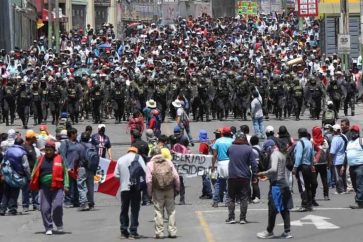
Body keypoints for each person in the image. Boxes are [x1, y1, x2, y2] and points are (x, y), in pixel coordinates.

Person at [29, 140, 69, 235]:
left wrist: (66, 185)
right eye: (46, 150)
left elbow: (65, 172)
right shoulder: (40, 159)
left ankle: (59, 224)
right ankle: (48, 227)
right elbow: (34, 171)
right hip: (44, 188)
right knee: (45, 208)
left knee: (57, 206)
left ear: (54, 150)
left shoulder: (60, 158)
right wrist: (32, 182)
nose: (48, 152)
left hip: (57, 187)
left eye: (50, 150)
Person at [257, 140, 293, 239]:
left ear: (270, 147)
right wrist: (268, 177)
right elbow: (279, 172)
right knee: (284, 208)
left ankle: (269, 231)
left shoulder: (274, 154)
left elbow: (273, 169)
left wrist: (263, 173)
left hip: (277, 185)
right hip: (283, 184)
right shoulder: (282, 155)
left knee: (272, 208)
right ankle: (287, 231)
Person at [146, 146, 180, 239]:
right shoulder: (168, 162)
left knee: (158, 211)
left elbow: (149, 181)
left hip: (157, 191)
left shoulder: (150, 164)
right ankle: (172, 232)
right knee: (171, 211)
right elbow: (176, 176)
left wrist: (149, 193)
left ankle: (159, 233)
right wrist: (177, 188)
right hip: (169, 189)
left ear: (152, 154)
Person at [114, 146, 146, 239]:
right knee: (134, 210)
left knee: (124, 209)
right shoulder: (138, 158)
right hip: (135, 187)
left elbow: (116, 175)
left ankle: (124, 231)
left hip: (124, 188)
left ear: (128, 151)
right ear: (136, 151)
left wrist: (123, 179)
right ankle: (133, 231)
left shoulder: (120, 159)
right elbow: (144, 171)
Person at [225, 131, 257, 224]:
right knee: (244, 198)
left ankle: (231, 218)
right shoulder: (248, 149)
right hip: (244, 177)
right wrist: (255, 175)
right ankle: (242, 218)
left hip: (232, 176)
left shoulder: (231, 148)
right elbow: (254, 164)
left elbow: (228, 155)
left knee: (231, 197)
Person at [0, 138, 31, 215]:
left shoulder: (8, 150)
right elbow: (26, 166)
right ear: (21, 144)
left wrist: (3, 173)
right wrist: (29, 176)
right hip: (17, 175)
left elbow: (3, 162)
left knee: (6, 192)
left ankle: (2, 209)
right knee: (14, 191)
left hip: (7, 174)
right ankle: (12, 208)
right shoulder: (22, 152)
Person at [292, 128, 316, 212]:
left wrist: (295, 167)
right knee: (307, 186)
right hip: (308, 166)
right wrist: (312, 165)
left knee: (302, 186)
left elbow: (298, 156)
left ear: (299, 134)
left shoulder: (300, 143)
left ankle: (304, 204)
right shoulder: (310, 143)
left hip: (302, 167)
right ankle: (309, 204)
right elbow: (312, 155)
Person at [211, 127, 233, 207]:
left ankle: (215, 201)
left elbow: (214, 155)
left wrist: (213, 165)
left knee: (219, 183)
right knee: (229, 183)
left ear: (222, 133)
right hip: (230, 163)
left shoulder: (218, 141)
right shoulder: (232, 141)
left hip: (220, 163)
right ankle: (227, 201)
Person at [78, 132, 98, 211]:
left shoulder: (79, 146)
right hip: (91, 168)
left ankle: (84, 203)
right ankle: (91, 202)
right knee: (90, 186)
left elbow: (76, 157)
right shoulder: (93, 146)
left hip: (82, 168)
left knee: (81, 185)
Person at [22, 130, 40, 211]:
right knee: (26, 189)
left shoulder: (32, 146)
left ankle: (35, 204)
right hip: (26, 172)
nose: (35, 139)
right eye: (34, 137)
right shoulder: (24, 147)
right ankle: (25, 205)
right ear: (31, 138)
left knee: (35, 188)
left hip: (34, 171)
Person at [346, 125, 363, 209]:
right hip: (351, 166)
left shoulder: (361, 140)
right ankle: (360, 201)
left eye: (355, 132)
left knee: (359, 184)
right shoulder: (349, 142)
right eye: (352, 131)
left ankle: (359, 202)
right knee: (355, 185)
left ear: (358, 132)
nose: (353, 133)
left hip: (360, 166)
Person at [311, 126, 330, 201]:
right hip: (323, 163)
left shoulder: (311, 140)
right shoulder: (324, 141)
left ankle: (313, 195)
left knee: (313, 181)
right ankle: (326, 195)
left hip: (314, 163)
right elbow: (328, 153)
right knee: (324, 180)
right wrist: (329, 163)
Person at [329, 124, 348, 194]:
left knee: (337, 176)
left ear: (335, 131)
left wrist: (330, 160)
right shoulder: (343, 136)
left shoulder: (335, 139)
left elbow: (332, 152)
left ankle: (340, 190)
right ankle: (344, 188)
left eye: (333, 130)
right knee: (343, 175)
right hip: (343, 158)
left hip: (337, 159)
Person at [198, 130, 213, 199]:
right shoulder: (207, 142)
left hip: (203, 163)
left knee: (205, 178)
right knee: (204, 178)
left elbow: (201, 154)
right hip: (207, 161)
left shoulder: (202, 144)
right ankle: (204, 193)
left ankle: (209, 193)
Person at [250, 135, 262, 203]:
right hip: (260, 166)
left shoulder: (252, 150)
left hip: (255, 166)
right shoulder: (260, 148)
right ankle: (254, 196)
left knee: (254, 182)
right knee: (256, 182)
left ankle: (257, 196)